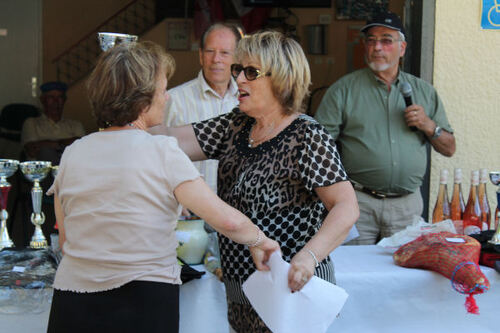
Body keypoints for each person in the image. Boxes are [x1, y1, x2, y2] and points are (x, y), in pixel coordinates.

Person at [45, 41, 279, 333]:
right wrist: (260, 241)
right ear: (142, 98)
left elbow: (66, 241)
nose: (167, 98)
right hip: (143, 299)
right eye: (161, 89)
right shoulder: (162, 150)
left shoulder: (74, 151)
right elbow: (226, 219)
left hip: (73, 299)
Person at [153, 31, 359, 332]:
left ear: (283, 78)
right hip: (243, 292)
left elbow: (346, 206)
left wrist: (309, 257)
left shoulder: (307, 135)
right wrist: (142, 97)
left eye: (251, 72)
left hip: (292, 289)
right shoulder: (235, 124)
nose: (239, 79)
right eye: (239, 70)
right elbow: (168, 140)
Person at [314, 11, 456, 245]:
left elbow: (449, 148)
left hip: (407, 206)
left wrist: (429, 126)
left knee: (405, 278)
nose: (377, 47)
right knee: (356, 276)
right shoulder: (344, 90)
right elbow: (318, 148)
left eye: (386, 40)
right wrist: (334, 195)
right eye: (371, 40)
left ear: (402, 48)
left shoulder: (424, 92)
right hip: (359, 203)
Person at [165, 22, 242, 193]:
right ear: (200, 55)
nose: (216, 59)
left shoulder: (246, 101)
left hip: (236, 210)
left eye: (224, 53)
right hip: (189, 208)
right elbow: (154, 151)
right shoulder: (174, 99)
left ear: (237, 59)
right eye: (210, 51)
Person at [21, 81, 85, 164]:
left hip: (69, 169)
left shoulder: (76, 125)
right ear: (43, 100)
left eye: (60, 97)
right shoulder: (31, 123)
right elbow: (32, 151)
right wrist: (64, 143)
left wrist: (45, 144)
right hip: (41, 172)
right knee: (46, 152)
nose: (56, 101)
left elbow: (82, 150)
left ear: (64, 101)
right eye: (51, 97)